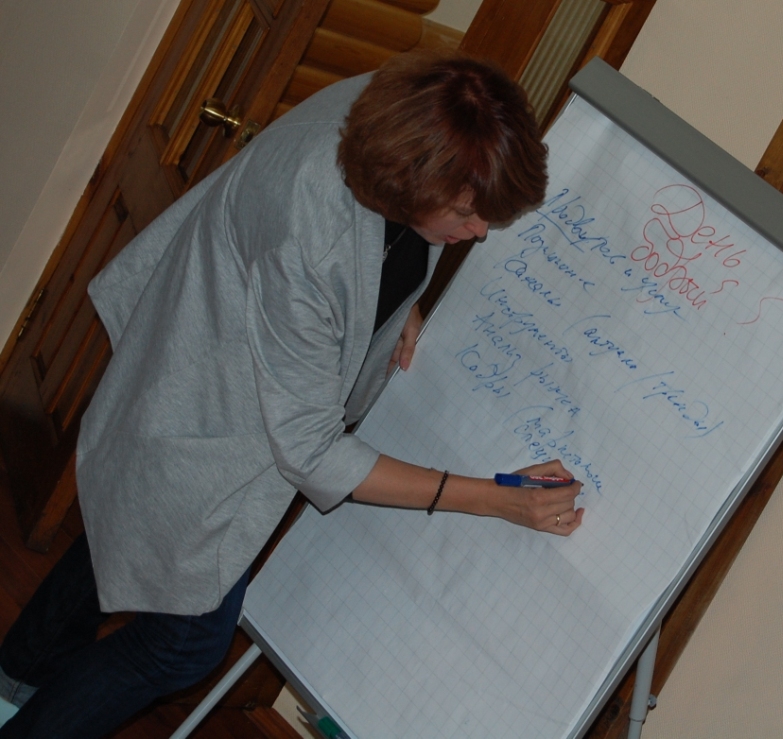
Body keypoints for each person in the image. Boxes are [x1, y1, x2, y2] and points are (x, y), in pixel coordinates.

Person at [0, 50, 584, 738]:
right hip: (207, 405)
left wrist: (397, 302)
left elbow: (378, 257)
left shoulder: (411, 105)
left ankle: (14, 678)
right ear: (406, 179)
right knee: (182, 641)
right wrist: (492, 497)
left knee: (124, 526)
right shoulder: (309, 234)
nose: (478, 232)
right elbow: (311, 450)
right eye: (465, 213)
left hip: (227, 355)